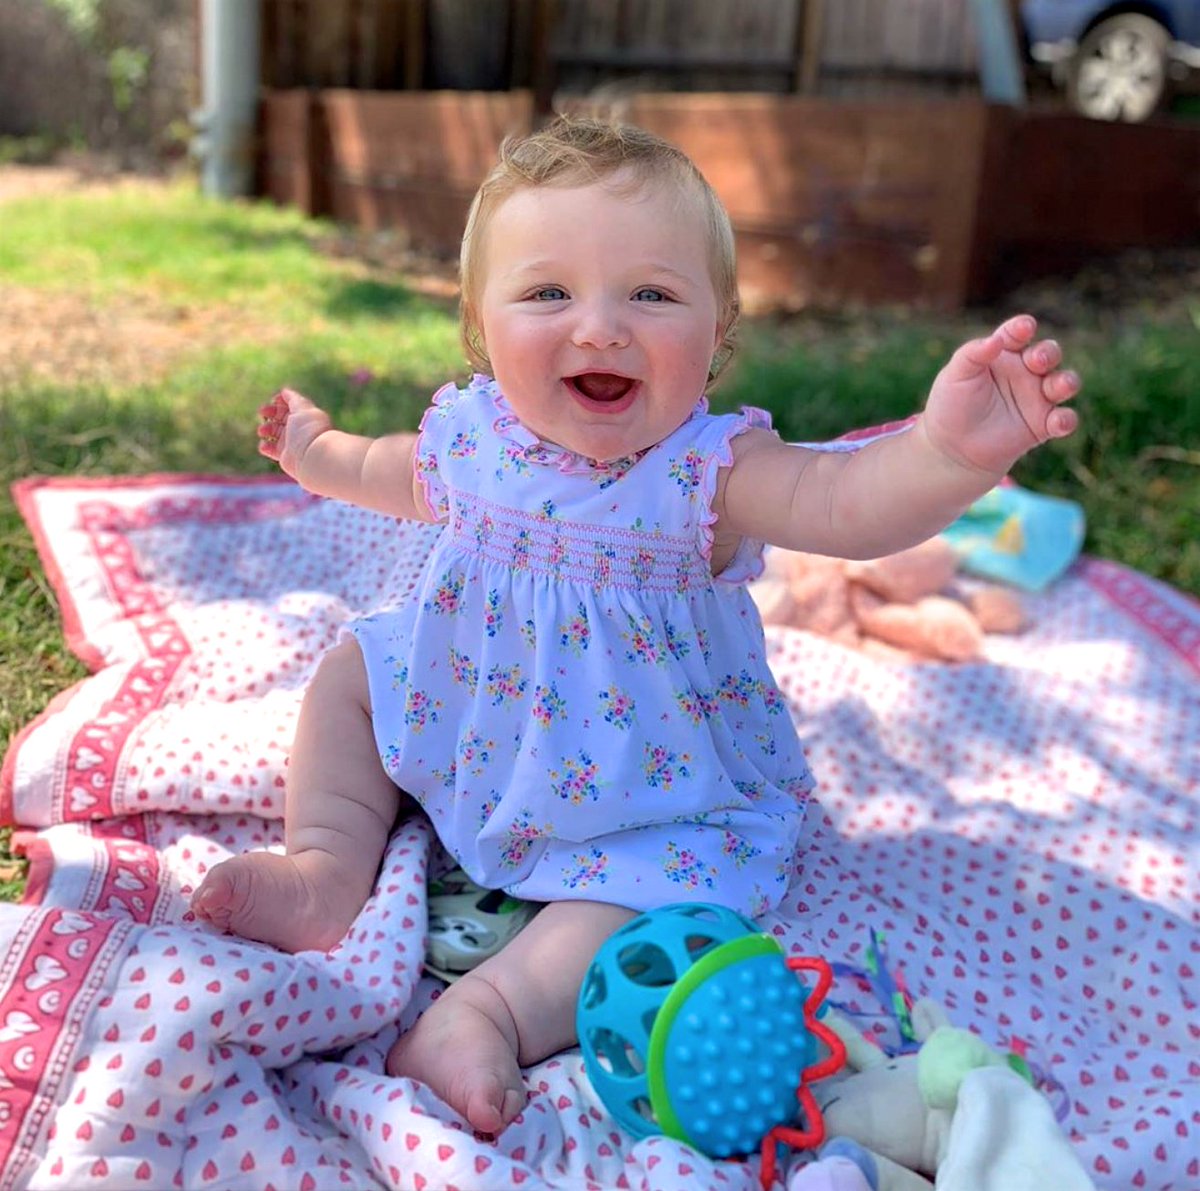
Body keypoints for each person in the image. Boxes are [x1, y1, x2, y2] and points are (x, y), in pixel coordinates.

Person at [192, 116, 1080, 1136]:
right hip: (473, 715)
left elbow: (846, 502)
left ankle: (486, 1013)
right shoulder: (472, 437)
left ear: (719, 330)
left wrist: (947, 456)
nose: (601, 327)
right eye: (548, 294)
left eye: (651, 295)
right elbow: (385, 469)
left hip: (640, 789)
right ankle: (325, 867)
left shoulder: (706, 473)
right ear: (480, 327)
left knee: (657, 899)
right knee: (352, 677)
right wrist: (315, 450)